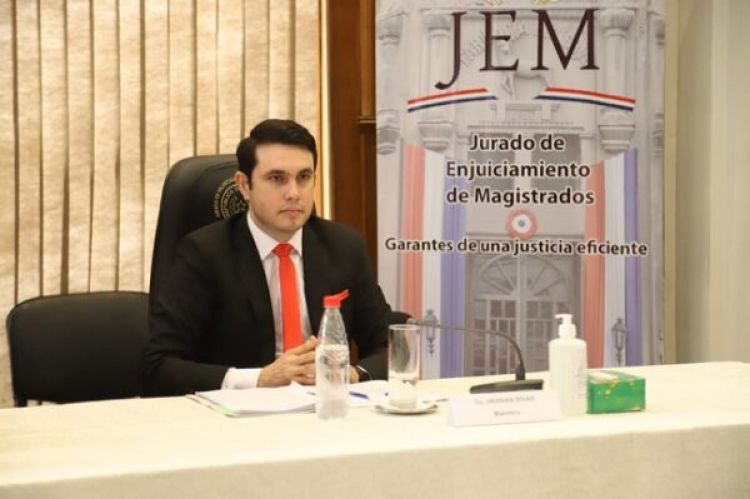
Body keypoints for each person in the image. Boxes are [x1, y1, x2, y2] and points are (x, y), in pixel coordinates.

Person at [143, 119, 394, 396]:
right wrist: (260, 378)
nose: (294, 193)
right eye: (277, 178)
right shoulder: (204, 254)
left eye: (304, 177)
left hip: (323, 409)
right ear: (244, 185)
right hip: (240, 413)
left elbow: (389, 343)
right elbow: (159, 367)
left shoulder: (343, 247)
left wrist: (353, 374)